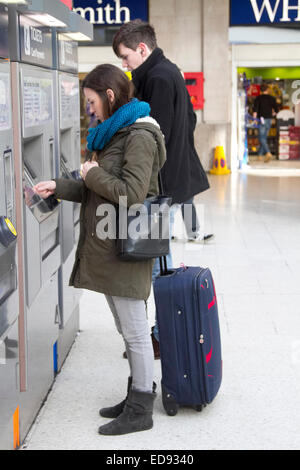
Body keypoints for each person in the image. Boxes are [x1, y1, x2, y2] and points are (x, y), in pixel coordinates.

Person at [33, 64, 167, 436]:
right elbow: (97, 187)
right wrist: (59, 187)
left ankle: (142, 408)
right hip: (110, 244)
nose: (89, 109)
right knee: (125, 325)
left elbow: (132, 193)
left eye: (92, 101)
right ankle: (136, 392)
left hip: (127, 243)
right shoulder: (113, 133)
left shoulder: (139, 135)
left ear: (109, 96)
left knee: (136, 329)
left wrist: (91, 174)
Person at [113, 20, 212, 358]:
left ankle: (161, 333)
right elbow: (190, 122)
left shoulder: (156, 78)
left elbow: (154, 138)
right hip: (170, 180)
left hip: (160, 185)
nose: (124, 65)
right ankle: (161, 331)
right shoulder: (169, 72)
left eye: (126, 57)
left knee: (157, 261)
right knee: (160, 257)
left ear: (142, 49)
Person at [253, 83, 279, 162]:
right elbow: (276, 111)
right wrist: (272, 114)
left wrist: (254, 120)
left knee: (261, 138)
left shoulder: (258, 98)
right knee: (263, 137)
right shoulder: (272, 98)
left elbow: (255, 111)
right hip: (269, 120)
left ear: (260, 90)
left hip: (261, 120)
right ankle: (260, 155)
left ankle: (268, 152)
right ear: (267, 89)